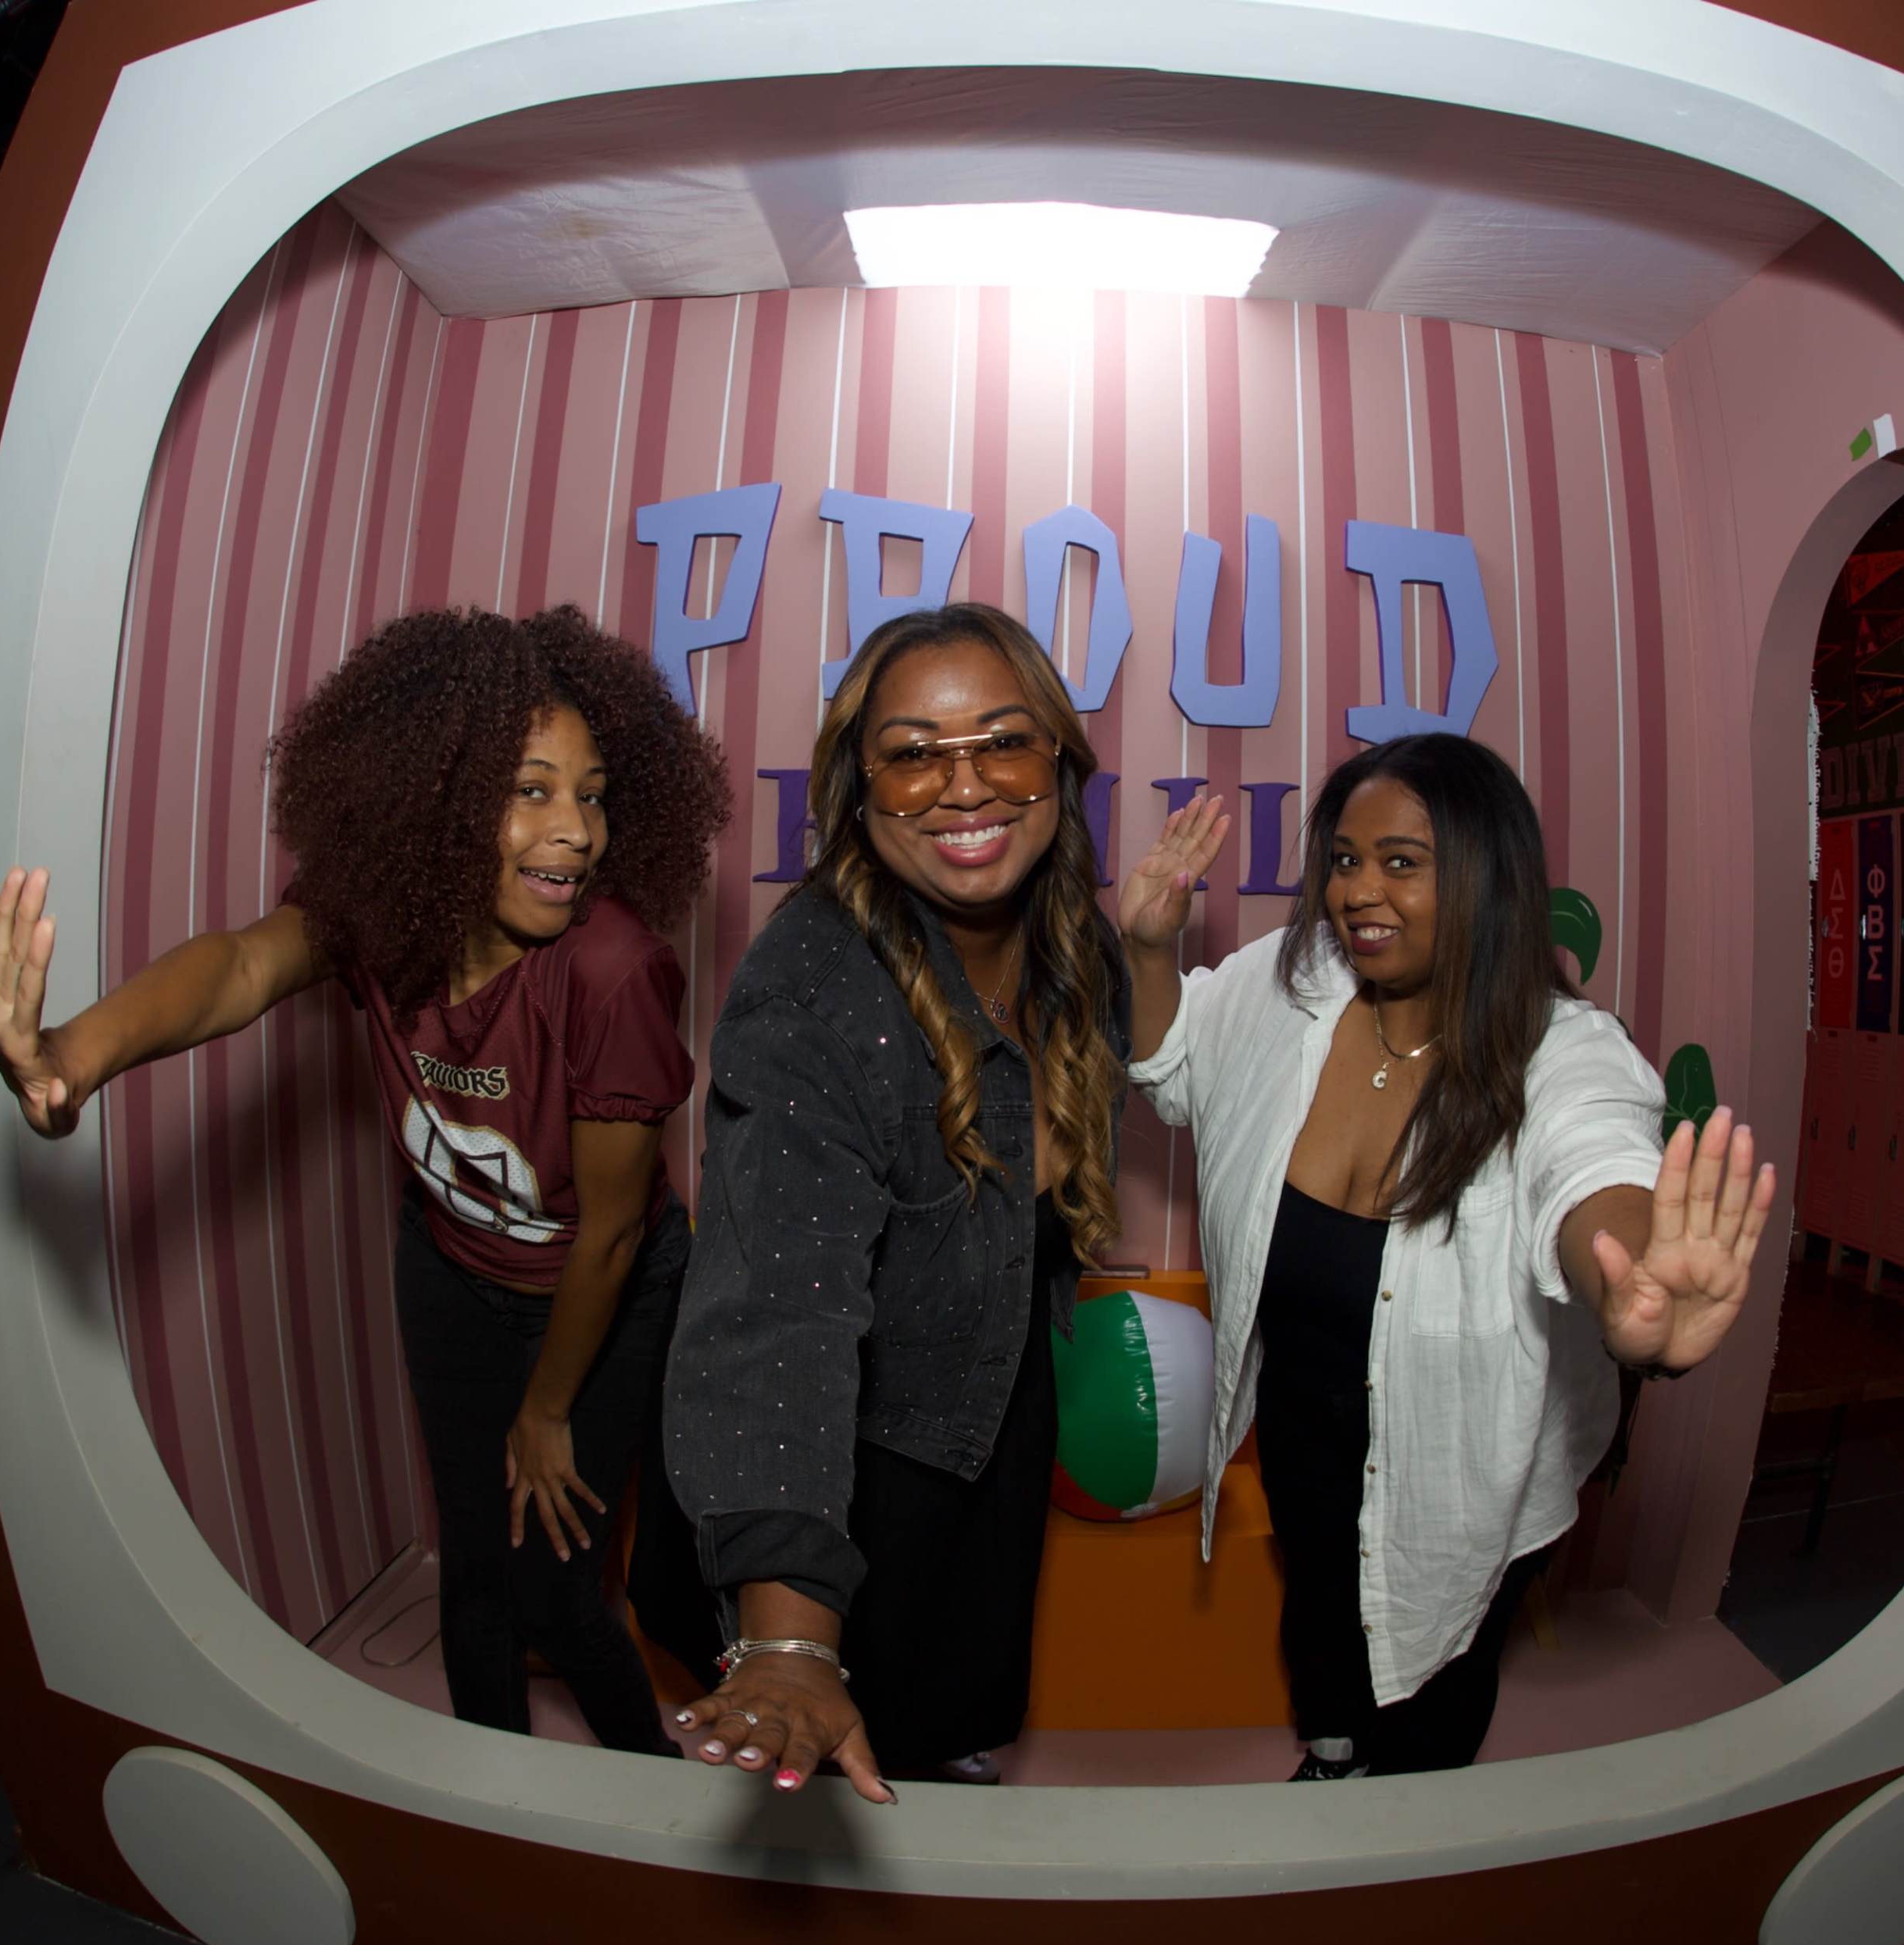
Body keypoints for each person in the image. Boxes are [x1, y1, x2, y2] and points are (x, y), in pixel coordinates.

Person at [0, 605, 727, 1752]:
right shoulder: (382, 906)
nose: (575, 831)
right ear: (439, 795)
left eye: (594, 792)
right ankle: (494, 1801)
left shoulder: (614, 970)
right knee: (473, 1567)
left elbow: (611, 1231)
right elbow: (239, 963)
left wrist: (547, 1406)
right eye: (530, 789)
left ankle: (649, 1795)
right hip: (453, 1263)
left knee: (562, 1595)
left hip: (601, 1296)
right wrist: (73, 1053)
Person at [1117, 732, 1771, 1778]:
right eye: (1343, 858)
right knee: (1324, 1611)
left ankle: (1403, 1825)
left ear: (1484, 874)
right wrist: (1150, 946)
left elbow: (1594, 1160)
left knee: (1438, 1674)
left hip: (1469, 1458)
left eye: (1403, 861)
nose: (1358, 891)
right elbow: (1170, 1067)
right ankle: (1331, 1747)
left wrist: (1637, 1269)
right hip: (1303, 1424)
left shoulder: (1560, 1052)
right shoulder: (1293, 988)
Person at [663, 602, 1128, 1801]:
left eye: (1005, 742)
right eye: (914, 751)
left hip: (992, 1404)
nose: (964, 785)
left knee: (957, 1716)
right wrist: (789, 1643)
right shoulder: (813, 986)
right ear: (859, 793)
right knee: (858, 1755)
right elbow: (780, 1311)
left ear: (1060, 765)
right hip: (849, 1462)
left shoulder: (1077, 938)